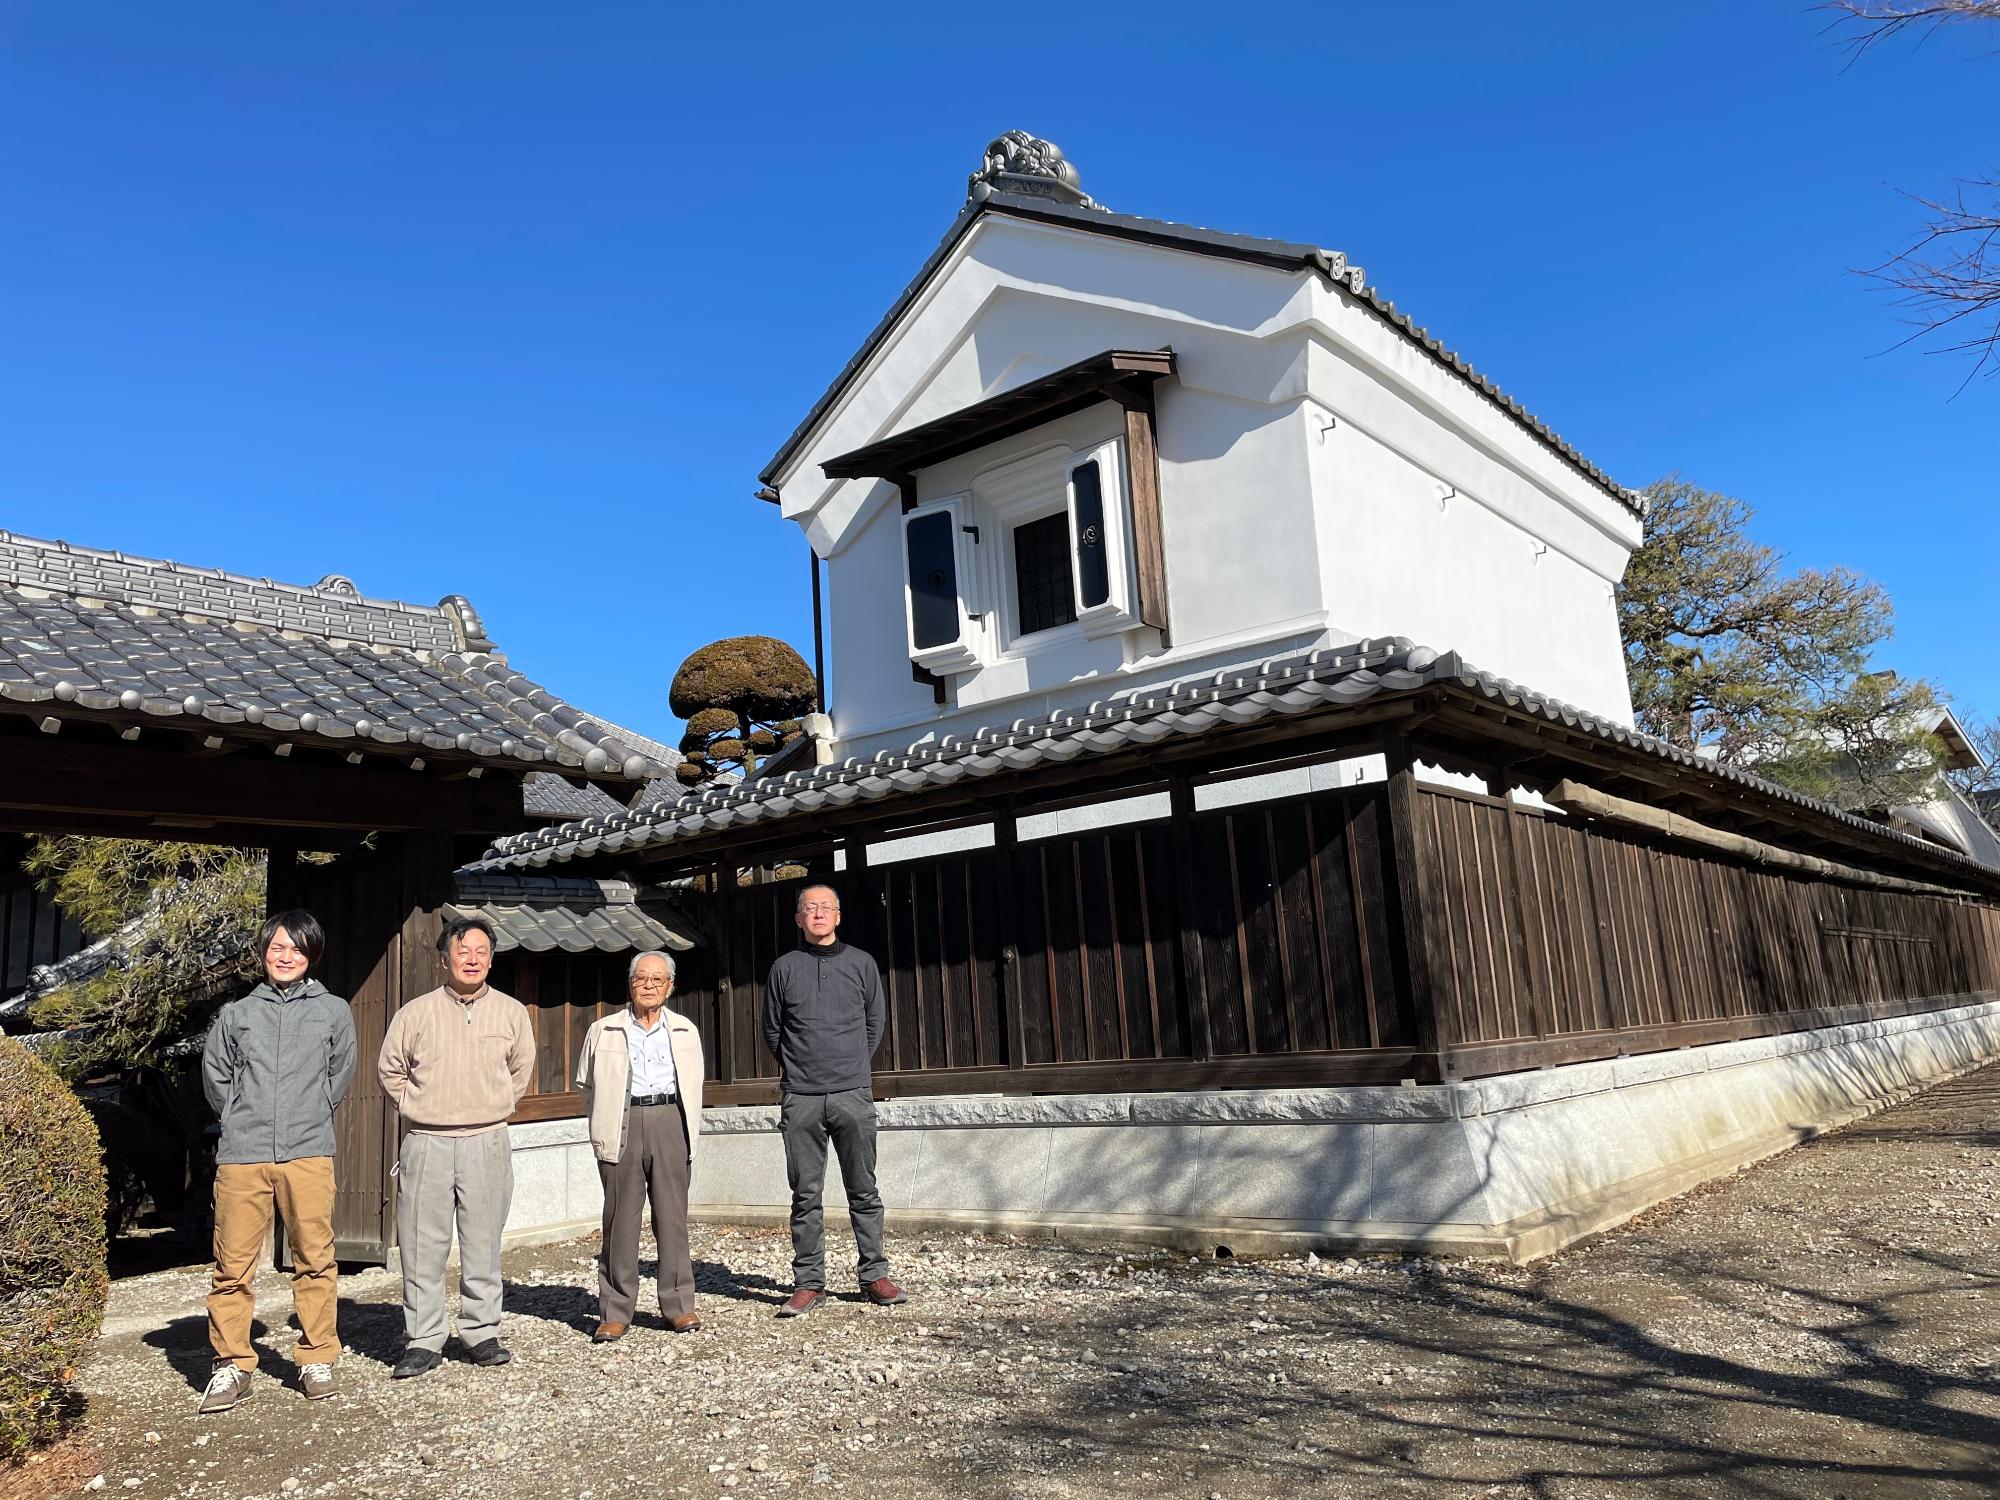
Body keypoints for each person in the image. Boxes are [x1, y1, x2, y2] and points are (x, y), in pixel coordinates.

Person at [198, 910, 357, 1413]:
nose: (285, 956)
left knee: (314, 1257)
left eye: (296, 948)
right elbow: (216, 1078)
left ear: (311, 955)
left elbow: (340, 1074)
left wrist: (307, 1111)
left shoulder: (333, 1010)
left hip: (308, 1151)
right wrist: (242, 1116)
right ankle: (232, 1365)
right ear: (263, 951)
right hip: (243, 1155)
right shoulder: (237, 1014)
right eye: (277, 947)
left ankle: (316, 1357)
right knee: (232, 1265)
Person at [377, 915, 535, 1379]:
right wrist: (417, 1105)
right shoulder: (415, 1013)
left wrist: (498, 1102)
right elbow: (390, 1069)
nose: (472, 959)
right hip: (428, 1140)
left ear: (491, 959)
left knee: (483, 1242)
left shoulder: (510, 1011)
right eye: (463, 951)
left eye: (482, 951)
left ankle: (481, 1332)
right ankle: (424, 1339)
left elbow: (521, 1069)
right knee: (422, 1246)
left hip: (487, 1139)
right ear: (444, 958)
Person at [761, 883, 906, 1317]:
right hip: (801, 1096)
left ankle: (874, 1274)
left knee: (864, 1189)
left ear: (838, 916)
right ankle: (809, 1282)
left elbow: (874, 1023)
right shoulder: (784, 968)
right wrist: (799, 1068)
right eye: (810, 908)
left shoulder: (862, 964)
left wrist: (850, 1067)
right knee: (805, 1194)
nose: (818, 914)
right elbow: (773, 1030)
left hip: (852, 1092)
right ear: (798, 919)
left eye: (826, 908)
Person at [575, 950, 706, 1341]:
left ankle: (679, 1305)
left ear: (670, 986)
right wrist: (605, 1118)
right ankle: (615, 1310)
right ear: (630, 984)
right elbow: (586, 1085)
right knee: (619, 1220)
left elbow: (694, 1082)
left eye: (657, 979)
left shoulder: (684, 1029)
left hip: (669, 1120)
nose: (649, 985)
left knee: (672, 1217)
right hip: (622, 1122)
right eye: (641, 978)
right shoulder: (604, 1029)